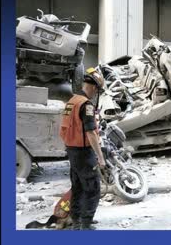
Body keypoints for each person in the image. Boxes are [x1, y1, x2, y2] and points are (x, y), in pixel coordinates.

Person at [59, 67, 107, 230]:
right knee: (93, 188)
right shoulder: (85, 105)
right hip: (83, 152)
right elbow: (91, 133)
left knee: (78, 187)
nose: (96, 94)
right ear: (93, 87)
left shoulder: (72, 101)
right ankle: (86, 224)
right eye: (97, 90)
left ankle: (77, 220)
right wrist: (100, 158)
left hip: (72, 150)